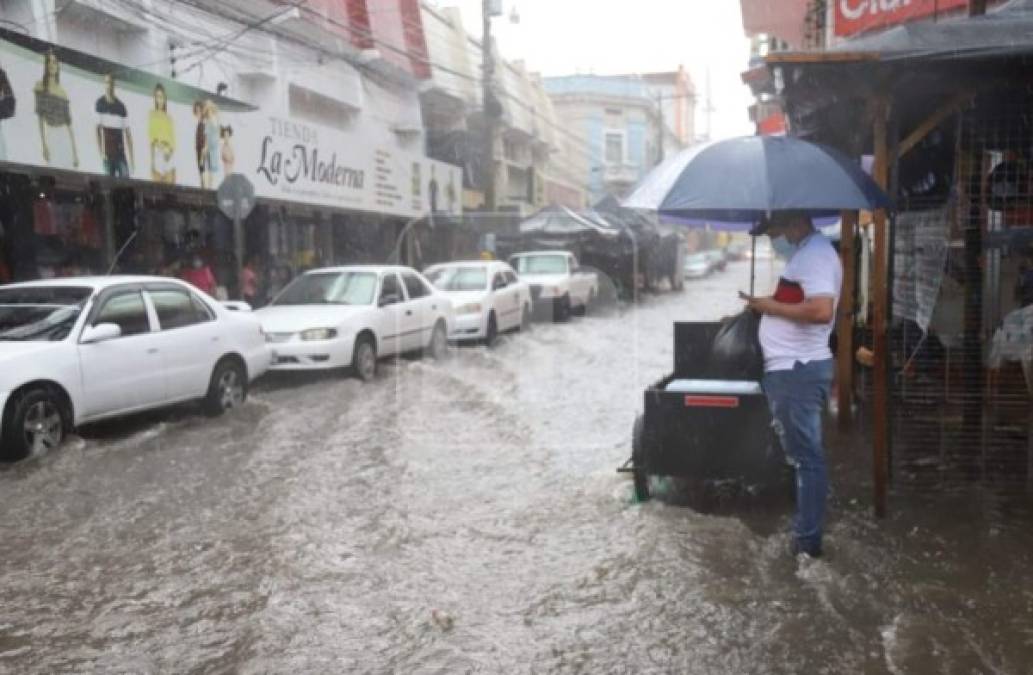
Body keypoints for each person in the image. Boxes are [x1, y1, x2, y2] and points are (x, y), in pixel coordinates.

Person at [740, 211, 842, 558]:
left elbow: (820, 311)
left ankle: (807, 543)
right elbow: (802, 302)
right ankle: (805, 530)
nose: (775, 239)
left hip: (797, 370)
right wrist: (763, 308)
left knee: (807, 459)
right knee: (802, 457)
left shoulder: (815, 254)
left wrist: (769, 306)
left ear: (795, 223)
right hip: (791, 369)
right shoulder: (807, 253)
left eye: (776, 231)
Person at [34, 50, 79, 169]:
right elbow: (40, 118)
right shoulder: (40, 86)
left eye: (55, 62)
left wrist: (75, 153)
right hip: (50, 133)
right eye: (49, 62)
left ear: (58, 66)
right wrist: (44, 145)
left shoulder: (62, 92)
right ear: (46, 65)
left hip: (64, 135)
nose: (52, 65)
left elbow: (69, 126)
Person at [95, 73, 134, 177]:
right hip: (107, 155)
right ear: (104, 84)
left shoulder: (121, 107)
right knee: (109, 185)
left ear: (114, 85)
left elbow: (128, 134)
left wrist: (132, 159)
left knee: (126, 182)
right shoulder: (100, 104)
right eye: (107, 82)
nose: (109, 86)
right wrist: (101, 153)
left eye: (111, 83)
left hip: (120, 154)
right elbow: (97, 131)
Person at [148, 84, 176, 184]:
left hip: (169, 154)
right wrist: (152, 164)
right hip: (158, 153)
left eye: (162, 97)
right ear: (155, 98)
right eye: (158, 97)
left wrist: (169, 152)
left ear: (165, 98)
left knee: (171, 191)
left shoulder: (169, 118)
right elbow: (152, 139)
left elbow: (173, 141)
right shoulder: (152, 114)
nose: (160, 100)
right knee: (158, 191)